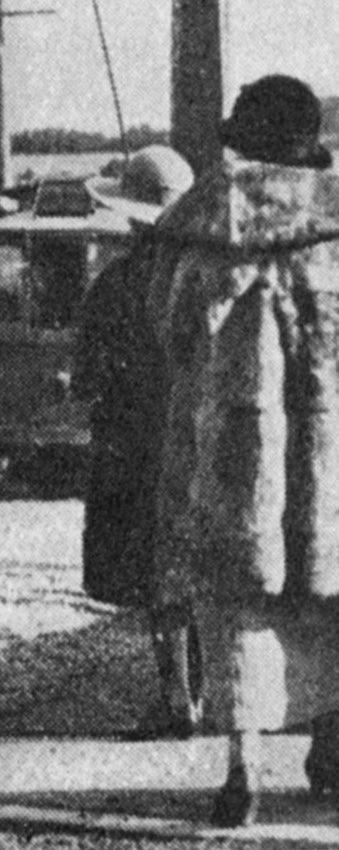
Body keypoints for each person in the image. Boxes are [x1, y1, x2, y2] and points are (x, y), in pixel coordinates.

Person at [140, 75, 339, 825]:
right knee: (327, 595)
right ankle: (329, 745)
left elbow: (169, 328)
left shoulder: (199, 227)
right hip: (330, 453)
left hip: (228, 455)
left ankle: (243, 769)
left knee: (236, 605)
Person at [76, 145, 198, 739]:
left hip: (135, 448)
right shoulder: (207, 275)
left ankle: (176, 697)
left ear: (129, 216)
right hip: (202, 441)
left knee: (155, 575)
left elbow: (86, 380)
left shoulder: (114, 286)